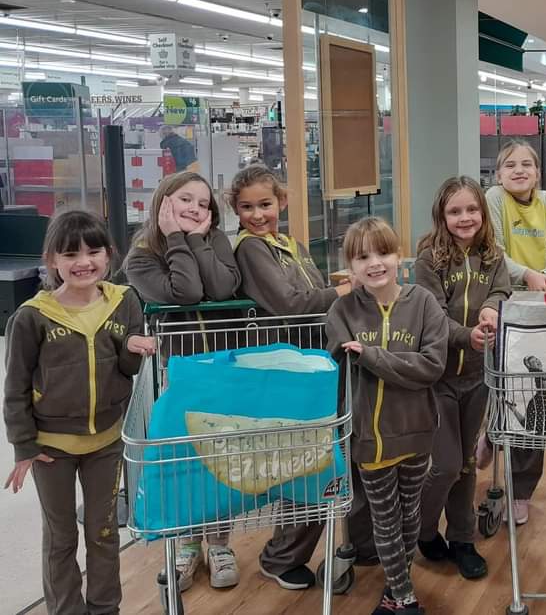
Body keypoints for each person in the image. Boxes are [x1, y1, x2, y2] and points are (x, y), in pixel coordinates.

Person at [4, 210, 156, 615]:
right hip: (49, 449)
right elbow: (15, 386)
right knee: (61, 537)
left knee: (104, 533)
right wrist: (23, 446)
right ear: (52, 260)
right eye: (70, 254)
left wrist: (133, 351)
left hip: (106, 443)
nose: (83, 262)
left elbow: (129, 369)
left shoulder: (125, 303)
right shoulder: (31, 317)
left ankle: (106, 608)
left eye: (93, 251)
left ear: (109, 255)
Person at [227, 165, 371, 590]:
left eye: (265, 204)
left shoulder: (291, 245)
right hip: (287, 369)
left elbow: (313, 297)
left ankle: (349, 543)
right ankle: (281, 555)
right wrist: (345, 291)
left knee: (327, 456)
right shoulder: (251, 249)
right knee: (307, 463)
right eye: (246, 207)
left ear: (282, 202)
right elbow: (291, 304)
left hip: (315, 363)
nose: (257, 215)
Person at [124, 172, 243, 591]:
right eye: (185, 200)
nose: (195, 209)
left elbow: (223, 286)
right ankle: (188, 544)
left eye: (203, 203)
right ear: (163, 201)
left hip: (226, 368)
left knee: (223, 456)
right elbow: (188, 293)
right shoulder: (140, 256)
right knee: (186, 457)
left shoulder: (219, 242)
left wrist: (196, 241)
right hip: (178, 375)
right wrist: (176, 238)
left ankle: (220, 543)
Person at [327, 217, 448, 615]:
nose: (375, 263)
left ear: (400, 258)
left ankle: (395, 591)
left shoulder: (423, 303)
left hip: (416, 433)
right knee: (384, 517)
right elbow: (338, 369)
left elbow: (431, 366)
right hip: (369, 437)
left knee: (409, 512)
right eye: (362, 257)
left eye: (383, 252)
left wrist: (373, 357)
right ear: (350, 266)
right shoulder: (342, 310)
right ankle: (404, 597)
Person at [414, 176, 510, 580]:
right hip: (438, 378)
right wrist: (466, 337)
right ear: (442, 215)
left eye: (472, 209)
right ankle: (420, 528)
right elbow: (433, 317)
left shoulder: (493, 256)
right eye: (455, 211)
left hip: (477, 377)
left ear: (483, 214)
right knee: (446, 465)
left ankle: (463, 539)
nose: (465, 217)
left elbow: (503, 291)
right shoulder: (428, 259)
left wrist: (491, 307)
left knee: (469, 462)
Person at [484, 139, 546, 525]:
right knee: (494, 386)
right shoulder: (493, 199)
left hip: (542, 311)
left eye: (527, 165)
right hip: (501, 305)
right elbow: (494, 249)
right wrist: (528, 275)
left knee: (533, 400)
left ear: (538, 171)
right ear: (499, 173)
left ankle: (520, 490)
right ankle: (488, 435)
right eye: (510, 165)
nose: (519, 171)